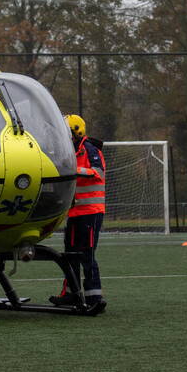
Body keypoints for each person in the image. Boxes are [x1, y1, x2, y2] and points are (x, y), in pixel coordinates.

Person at [50, 113, 106, 308]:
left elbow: (97, 173)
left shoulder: (90, 150)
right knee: (70, 255)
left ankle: (94, 297)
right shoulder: (67, 151)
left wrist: (73, 169)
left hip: (91, 212)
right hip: (74, 213)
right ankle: (71, 294)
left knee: (87, 255)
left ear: (75, 132)